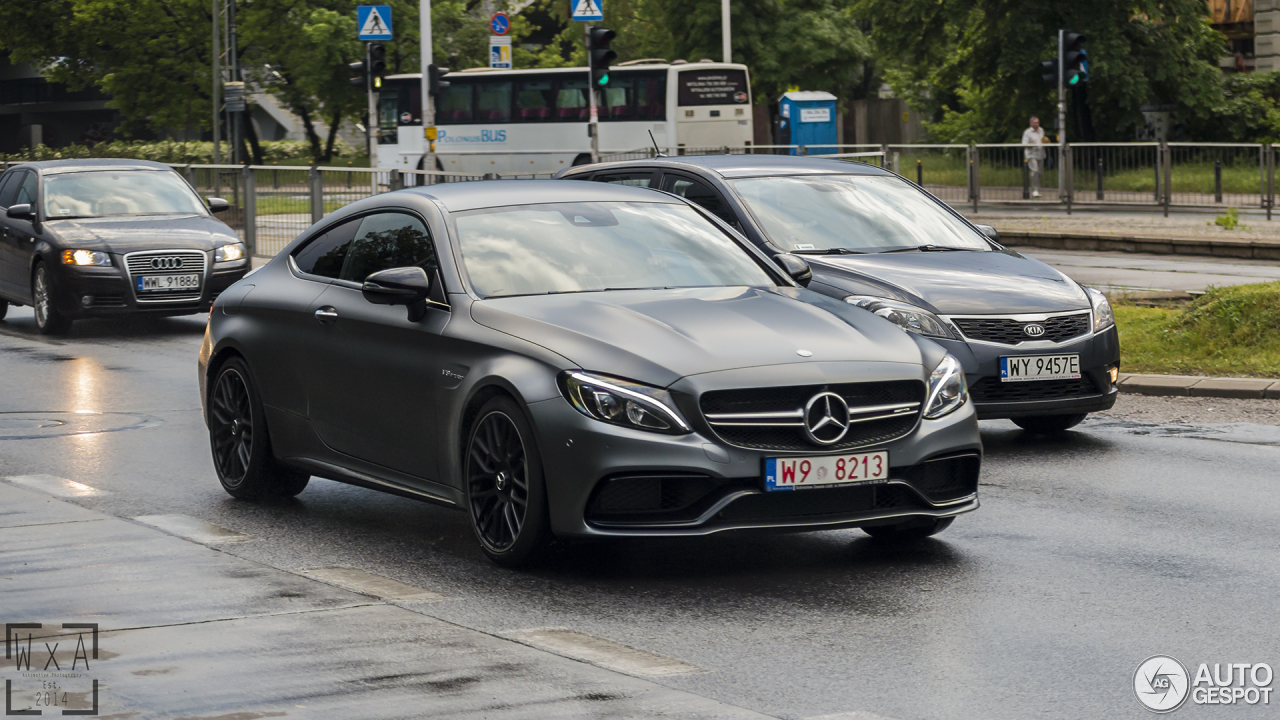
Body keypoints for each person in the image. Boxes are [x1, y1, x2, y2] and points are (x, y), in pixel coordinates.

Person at [1021, 117, 1047, 198]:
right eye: (1035, 123)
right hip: (1032, 154)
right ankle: (1034, 190)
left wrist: (1046, 143)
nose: (1036, 124)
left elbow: (1043, 140)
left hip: (1041, 153)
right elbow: (1024, 144)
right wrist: (1032, 144)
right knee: (1034, 171)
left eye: (1037, 122)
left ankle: (1037, 189)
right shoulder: (1027, 132)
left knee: (1039, 172)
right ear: (1031, 123)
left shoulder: (1041, 130)